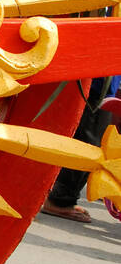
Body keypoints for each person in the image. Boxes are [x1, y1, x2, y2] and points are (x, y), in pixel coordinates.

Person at [42, 77, 119, 223]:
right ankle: (60, 200)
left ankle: (59, 196)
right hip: (100, 83)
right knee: (90, 142)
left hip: (100, 83)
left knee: (89, 135)